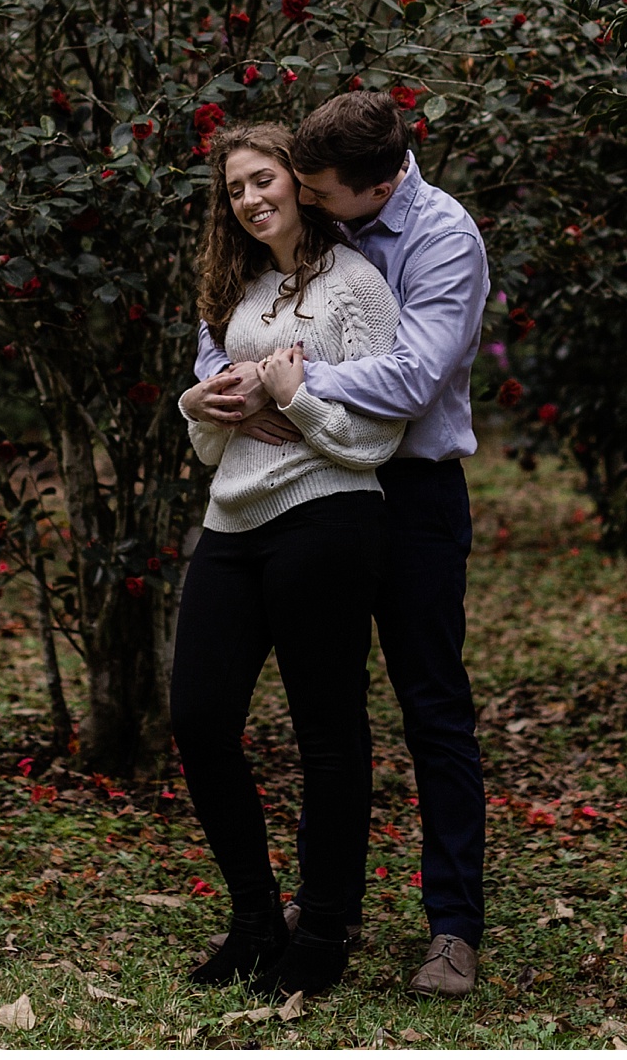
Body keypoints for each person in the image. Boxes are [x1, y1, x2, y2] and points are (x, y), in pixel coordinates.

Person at [191, 90, 490, 999]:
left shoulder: (443, 239)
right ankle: (334, 908)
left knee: (430, 702)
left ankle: (452, 928)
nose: (301, 201)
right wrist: (228, 382)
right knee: (332, 702)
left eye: (320, 190)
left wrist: (288, 383)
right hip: (311, 491)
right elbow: (232, 320)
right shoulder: (327, 217)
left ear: (375, 185)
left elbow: (410, 375)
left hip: (413, 488)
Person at [171, 121, 405, 999]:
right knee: (199, 720)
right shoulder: (237, 294)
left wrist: (297, 398)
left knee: (328, 735)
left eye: (262, 179)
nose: (251, 199)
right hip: (232, 521)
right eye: (235, 189)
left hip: (328, 518)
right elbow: (208, 445)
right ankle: (256, 921)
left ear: (299, 185)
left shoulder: (356, 287)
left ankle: (323, 934)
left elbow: (376, 438)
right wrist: (200, 403)